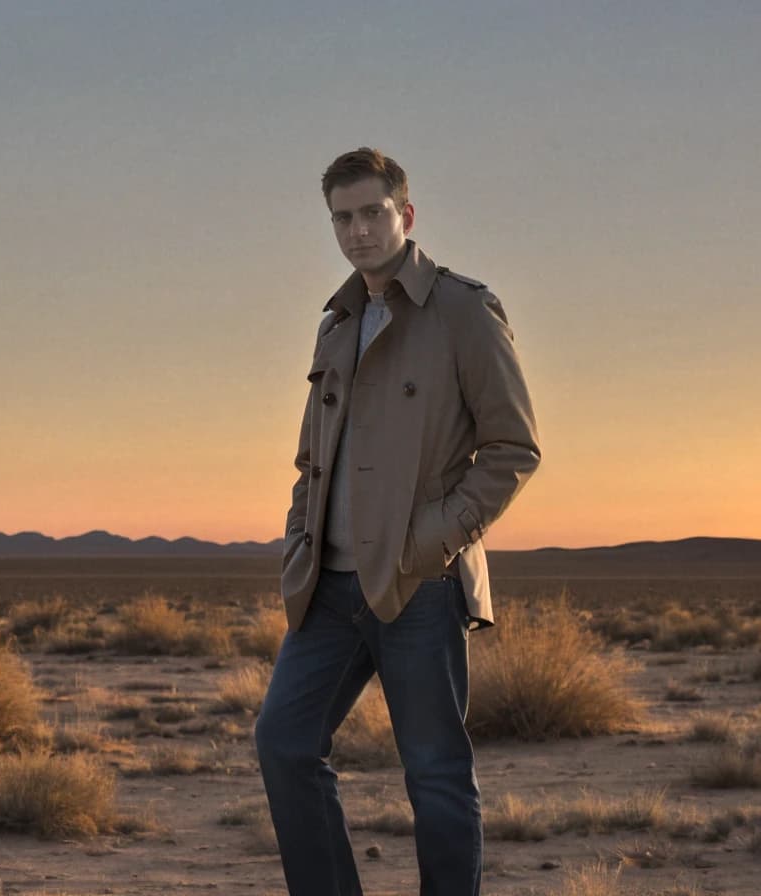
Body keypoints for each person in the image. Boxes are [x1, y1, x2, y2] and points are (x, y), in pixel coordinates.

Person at [254, 147, 542, 896]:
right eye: (341, 218)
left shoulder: (462, 310)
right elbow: (311, 457)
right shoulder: (335, 323)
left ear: (405, 215)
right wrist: (299, 541)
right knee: (284, 744)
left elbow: (512, 449)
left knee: (436, 776)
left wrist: (429, 544)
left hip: (422, 583)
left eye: (371, 213)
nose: (357, 231)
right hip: (329, 586)